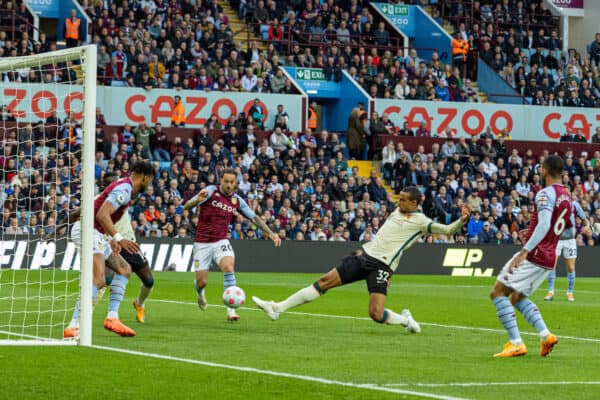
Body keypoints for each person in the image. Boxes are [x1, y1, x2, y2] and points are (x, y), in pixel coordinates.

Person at [252, 186, 471, 331]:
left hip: (382, 266)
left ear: (414, 204)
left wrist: (462, 220)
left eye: (403, 200)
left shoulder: (422, 222)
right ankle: (277, 308)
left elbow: (448, 230)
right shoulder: (397, 211)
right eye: (399, 198)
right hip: (365, 255)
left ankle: (406, 321)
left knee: (375, 314)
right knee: (324, 281)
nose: (399, 202)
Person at [489, 155, 570, 358]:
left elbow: (544, 224)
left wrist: (526, 250)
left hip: (533, 254)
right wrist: (535, 233)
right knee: (517, 297)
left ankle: (516, 343)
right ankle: (546, 336)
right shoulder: (568, 197)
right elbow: (567, 230)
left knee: (498, 292)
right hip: (549, 256)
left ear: (544, 170)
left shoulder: (544, 194)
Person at [63, 161, 155, 338]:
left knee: (124, 269)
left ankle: (112, 317)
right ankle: (73, 325)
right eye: (149, 181)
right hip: (87, 230)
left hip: (96, 232)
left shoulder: (124, 187)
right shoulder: (124, 190)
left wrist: (111, 239)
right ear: (144, 177)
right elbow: (102, 215)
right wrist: (119, 237)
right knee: (99, 279)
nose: (148, 185)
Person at [183, 168, 281, 321]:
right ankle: (200, 293)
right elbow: (186, 206)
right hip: (202, 242)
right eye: (226, 181)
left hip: (221, 240)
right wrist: (196, 201)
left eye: (231, 182)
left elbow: (254, 218)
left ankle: (231, 310)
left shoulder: (237, 200)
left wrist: (271, 233)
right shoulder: (209, 191)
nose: (228, 185)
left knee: (228, 267)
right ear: (221, 180)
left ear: (235, 183)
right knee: (202, 282)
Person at [544, 197, 586, 302]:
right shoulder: (554, 205)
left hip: (570, 240)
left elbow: (584, 218)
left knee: (571, 267)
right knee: (552, 264)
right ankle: (550, 291)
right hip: (556, 239)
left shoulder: (575, 205)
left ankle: (570, 292)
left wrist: (586, 226)